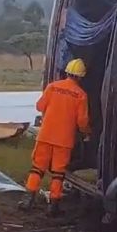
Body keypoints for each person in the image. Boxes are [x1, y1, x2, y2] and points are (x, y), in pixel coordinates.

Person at [19, 58, 91, 217]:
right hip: (64, 140)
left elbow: (39, 106)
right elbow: (82, 121)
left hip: (45, 135)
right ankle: (54, 205)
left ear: (66, 72)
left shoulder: (52, 87)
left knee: (37, 168)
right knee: (58, 172)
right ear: (80, 77)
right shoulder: (81, 95)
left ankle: (27, 200)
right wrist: (87, 133)